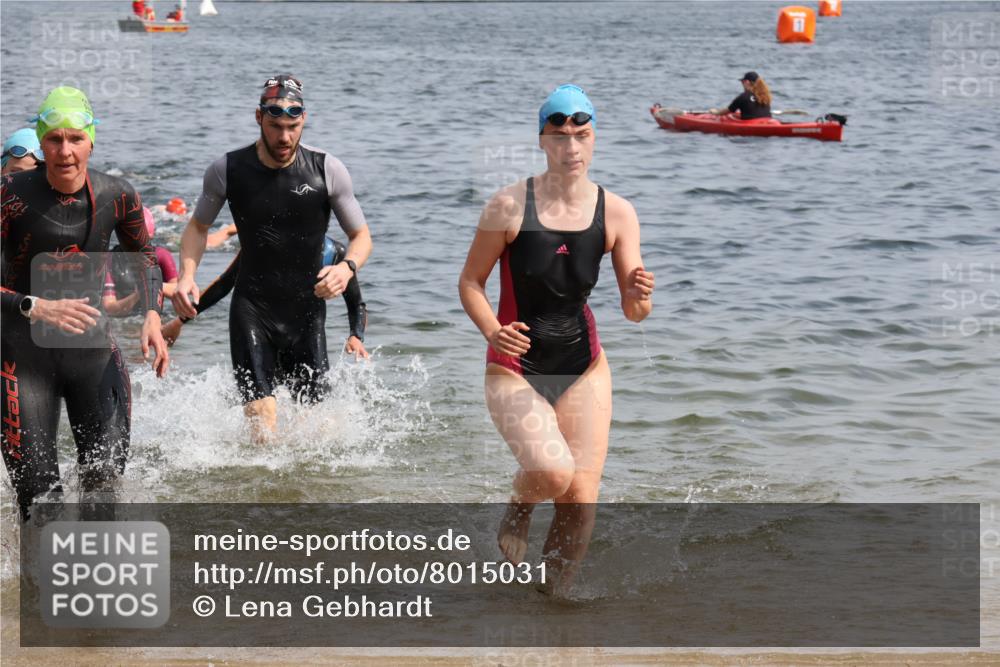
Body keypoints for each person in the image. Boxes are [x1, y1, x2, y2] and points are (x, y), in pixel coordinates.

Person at [458, 84, 654, 594]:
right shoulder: (507, 205)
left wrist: (638, 294)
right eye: (560, 136)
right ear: (542, 141)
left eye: (582, 136)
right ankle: (519, 507)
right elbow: (470, 283)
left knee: (580, 494)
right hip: (514, 366)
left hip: (584, 364)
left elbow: (635, 313)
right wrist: (492, 331)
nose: (572, 147)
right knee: (550, 472)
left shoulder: (617, 212)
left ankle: (551, 603)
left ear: (594, 141)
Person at [173, 74, 372, 443]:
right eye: (276, 125)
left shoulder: (327, 169)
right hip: (252, 309)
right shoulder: (227, 170)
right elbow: (197, 228)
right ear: (258, 118)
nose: (284, 137)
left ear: (304, 120)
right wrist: (188, 275)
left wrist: (347, 269)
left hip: (307, 314)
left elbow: (361, 237)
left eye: (293, 126)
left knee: (316, 435)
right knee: (263, 428)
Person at [0, 87, 169, 521]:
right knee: (41, 504)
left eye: (75, 138)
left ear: (92, 140)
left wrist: (153, 313)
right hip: (23, 362)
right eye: (54, 140)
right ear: (42, 144)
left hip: (93, 357)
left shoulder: (117, 194)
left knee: (103, 491)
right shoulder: (8, 194)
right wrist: (33, 306)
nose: (65, 151)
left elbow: (146, 257)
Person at [161, 236, 369, 359]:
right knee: (263, 411)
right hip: (261, 329)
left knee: (313, 413)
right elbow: (224, 285)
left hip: (307, 332)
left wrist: (356, 336)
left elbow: (356, 302)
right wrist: (180, 321)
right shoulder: (260, 245)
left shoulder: (334, 253)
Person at [103, 207, 178, 317]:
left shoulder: (162, 256)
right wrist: (137, 295)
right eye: (133, 242)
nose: (140, 248)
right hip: (123, 321)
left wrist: (153, 284)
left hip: (156, 317)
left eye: (145, 241)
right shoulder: (109, 260)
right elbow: (109, 307)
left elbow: (178, 292)